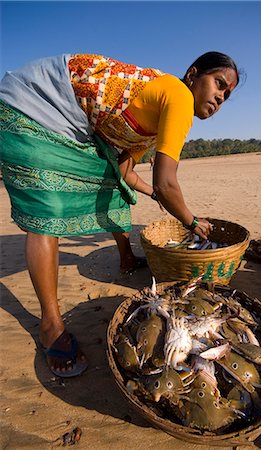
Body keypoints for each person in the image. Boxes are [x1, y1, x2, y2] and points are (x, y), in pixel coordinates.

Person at [0, 51, 240, 377]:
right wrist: (192, 222)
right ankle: (51, 326)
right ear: (194, 74)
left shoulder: (155, 119)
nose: (219, 98)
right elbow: (167, 181)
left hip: (68, 119)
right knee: (47, 209)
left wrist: (152, 193)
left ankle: (126, 259)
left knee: (113, 190)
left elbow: (125, 170)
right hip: (33, 102)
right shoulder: (179, 96)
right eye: (219, 85)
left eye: (226, 96)